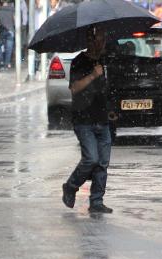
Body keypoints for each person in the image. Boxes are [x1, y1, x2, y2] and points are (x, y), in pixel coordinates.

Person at [62, 26, 113, 214]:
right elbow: (74, 88)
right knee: (91, 159)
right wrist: (93, 75)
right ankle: (70, 186)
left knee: (102, 163)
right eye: (98, 39)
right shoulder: (79, 62)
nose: (102, 43)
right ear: (90, 41)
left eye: (103, 39)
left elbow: (107, 89)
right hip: (84, 120)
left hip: (102, 119)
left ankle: (97, 201)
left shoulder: (104, 60)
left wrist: (111, 109)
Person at [0, 0, 15, 69]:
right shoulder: (13, 10)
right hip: (11, 31)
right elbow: (15, 20)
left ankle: (1, 62)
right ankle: (7, 64)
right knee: (9, 49)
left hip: (1, 31)